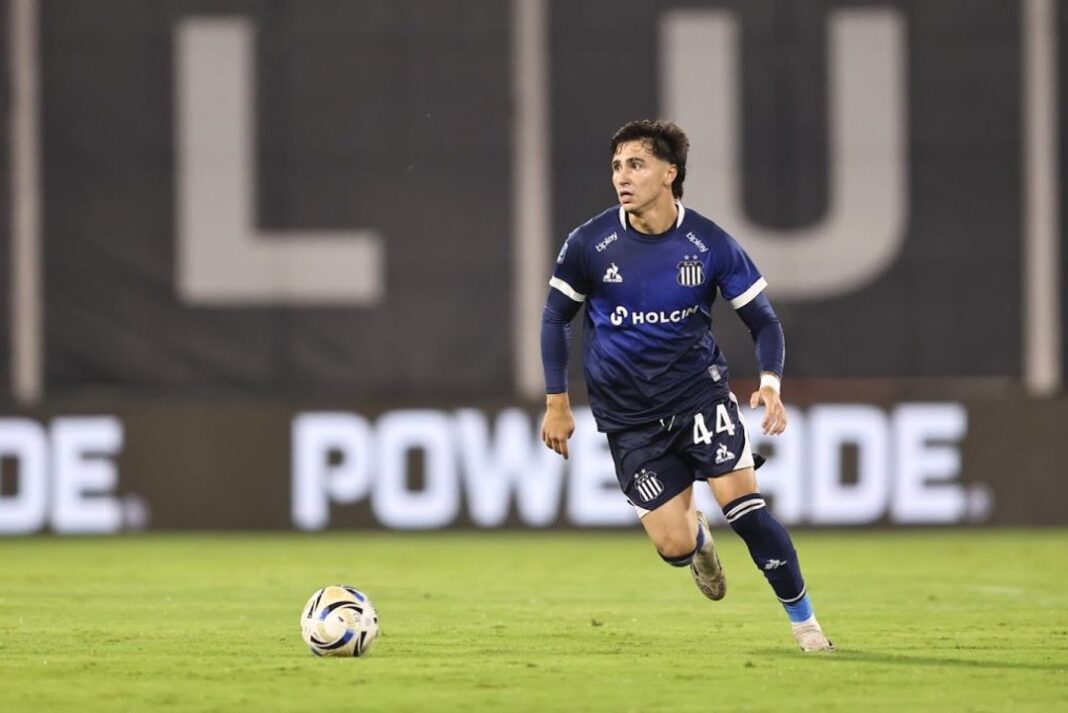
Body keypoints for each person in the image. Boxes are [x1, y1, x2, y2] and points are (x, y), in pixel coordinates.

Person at [539, 119, 833, 652]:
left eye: (636, 164)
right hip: (629, 418)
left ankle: (806, 625)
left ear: (669, 173)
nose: (622, 176)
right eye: (616, 166)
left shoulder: (709, 243)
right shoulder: (589, 243)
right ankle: (697, 542)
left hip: (699, 397)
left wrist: (770, 382)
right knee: (673, 546)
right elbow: (556, 317)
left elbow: (763, 321)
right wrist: (556, 402)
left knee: (746, 509)